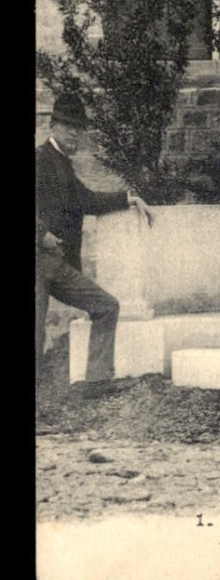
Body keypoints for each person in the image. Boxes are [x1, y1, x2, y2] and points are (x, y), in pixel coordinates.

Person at [35, 92, 154, 393]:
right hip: (38, 260)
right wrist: (41, 234)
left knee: (106, 306)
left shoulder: (64, 164)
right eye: (69, 127)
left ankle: (97, 380)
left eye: (79, 128)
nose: (76, 134)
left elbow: (86, 199)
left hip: (59, 265)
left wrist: (128, 198)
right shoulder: (39, 159)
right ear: (53, 126)